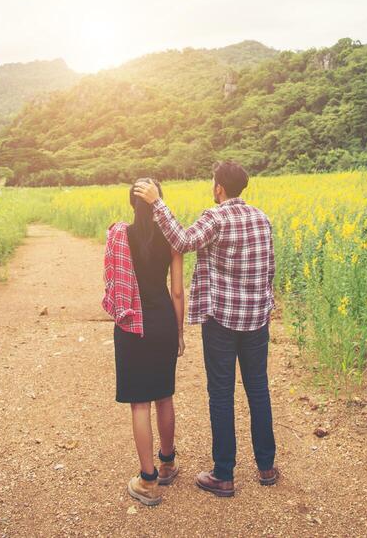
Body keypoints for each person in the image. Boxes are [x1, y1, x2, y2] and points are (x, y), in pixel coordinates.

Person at [134, 160, 277, 497]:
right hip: (257, 319)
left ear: (219, 188)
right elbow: (269, 268)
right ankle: (266, 466)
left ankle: (223, 474)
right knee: (258, 390)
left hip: (222, 322)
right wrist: (265, 305)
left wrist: (157, 202)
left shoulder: (215, 218)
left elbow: (182, 242)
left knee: (222, 395)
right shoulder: (262, 218)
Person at [103, 179, 185, 507]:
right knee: (164, 395)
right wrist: (179, 333)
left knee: (140, 403)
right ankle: (167, 463)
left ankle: (148, 481)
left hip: (132, 325)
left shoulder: (119, 235)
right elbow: (178, 291)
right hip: (163, 320)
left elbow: (112, 280)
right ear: (159, 201)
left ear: (131, 203)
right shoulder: (172, 237)